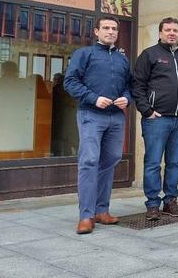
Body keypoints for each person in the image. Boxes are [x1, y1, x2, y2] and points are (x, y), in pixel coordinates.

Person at [64, 16, 131, 234]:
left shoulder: (123, 60)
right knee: (89, 161)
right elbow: (70, 82)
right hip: (91, 115)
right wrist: (93, 98)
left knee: (110, 160)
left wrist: (126, 99)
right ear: (96, 31)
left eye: (114, 29)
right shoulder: (84, 54)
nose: (111, 32)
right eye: (106, 28)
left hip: (116, 117)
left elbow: (129, 87)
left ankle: (102, 210)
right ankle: (86, 215)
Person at [132, 17, 178, 220]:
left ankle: (170, 201)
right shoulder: (149, 54)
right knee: (153, 162)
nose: (171, 33)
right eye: (167, 30)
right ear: (160, 33)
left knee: (174, 163)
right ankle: (153, 204)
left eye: (175, 30)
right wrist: (147, 111)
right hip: (156, 119)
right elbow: (137, 85)